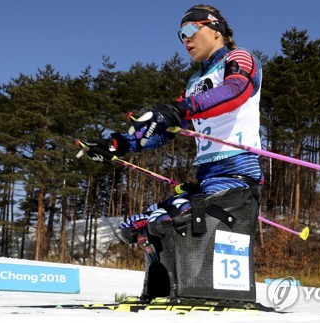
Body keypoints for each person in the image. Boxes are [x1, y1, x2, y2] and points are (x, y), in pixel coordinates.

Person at [79, 4, 263, 301]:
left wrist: (181, 108)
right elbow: (167, 128)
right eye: (180, 35)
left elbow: (235, 91)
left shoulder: (238, 57)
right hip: (206, 178)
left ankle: (207, 293)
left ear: (215, 28)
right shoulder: (194, 83)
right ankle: (162, 295)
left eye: (190, 30)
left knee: (170, 221)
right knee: (139, 225)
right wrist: (120, 144)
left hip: (237, 173)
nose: (185, 39)